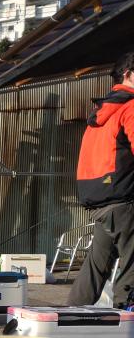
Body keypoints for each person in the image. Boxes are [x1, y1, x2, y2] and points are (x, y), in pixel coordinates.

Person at [68, 52, 134, 309]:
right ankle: (127, 319)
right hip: (124, 199)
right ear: (128, 74)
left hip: (99, 199)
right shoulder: (129, 106)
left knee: (97, 265)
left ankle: (70, 317)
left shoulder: (104, 110)